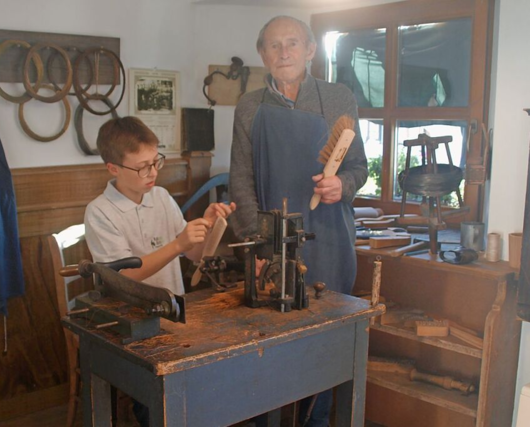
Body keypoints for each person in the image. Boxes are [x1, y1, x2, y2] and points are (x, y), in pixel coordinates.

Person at [229, 16, 368, 427]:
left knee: (321, 353)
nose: (283, 52)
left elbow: (358, 167)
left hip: (327, 239)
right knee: (268, 350)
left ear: (310, 50)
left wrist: (341, 185)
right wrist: (259, 243)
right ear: (262, 54)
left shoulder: (338, 97)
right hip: (273, 243)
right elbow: (241, 181)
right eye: (274, 45)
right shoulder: (250, 106)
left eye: (292, 43)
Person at [84, 116, 235, 426]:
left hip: (173, 319)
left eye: (156, 162)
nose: (152, 173)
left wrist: (206, 226)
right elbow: (125, 279)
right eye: (142, 167)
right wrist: (178, 244)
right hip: (131, 328)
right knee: (162, 409)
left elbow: (193, 254)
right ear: (113, 168)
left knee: (212, 392)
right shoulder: (100, 212)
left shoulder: (161, 198)